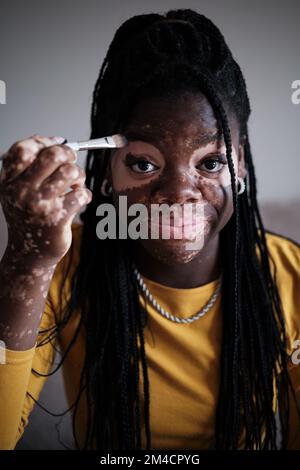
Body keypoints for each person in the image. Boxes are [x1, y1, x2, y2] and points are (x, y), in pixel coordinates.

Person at [0, 8, 299, 451]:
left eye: (211, 163)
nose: (179, 193)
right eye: (143, 164)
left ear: (239, 160)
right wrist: (28, 258)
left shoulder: (290, 279)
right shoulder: (60, 265)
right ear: (106, 169)